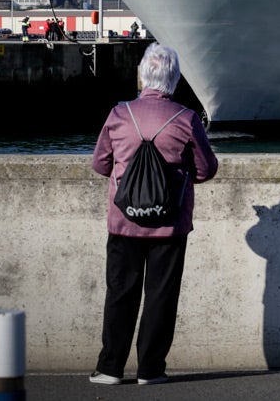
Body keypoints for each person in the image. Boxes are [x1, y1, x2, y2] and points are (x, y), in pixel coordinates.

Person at [89, 43, 218, 386]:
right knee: (161, 296)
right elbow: (207, 170)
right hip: (169, 224)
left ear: (142, 75)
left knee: (120, 293)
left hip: (123, 222)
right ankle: (150, 370)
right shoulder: (188, 119)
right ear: (175, 80)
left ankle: (109, 369)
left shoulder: (119, 114)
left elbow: (100, 164)